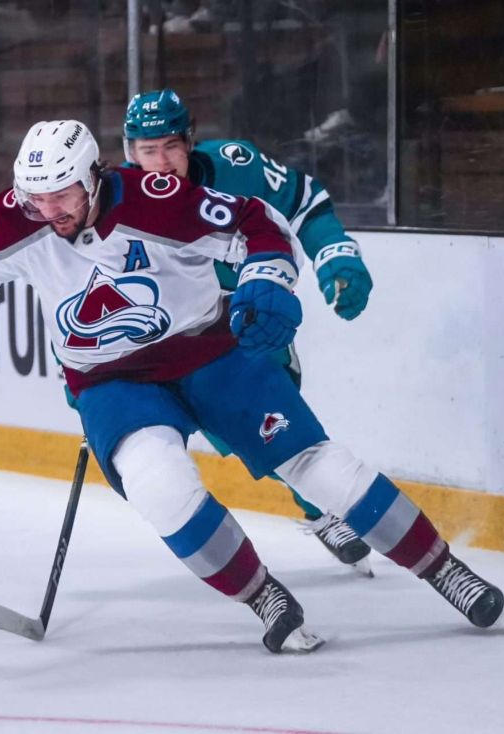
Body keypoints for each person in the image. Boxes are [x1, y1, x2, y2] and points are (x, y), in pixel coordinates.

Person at [0, 119, 504, 654]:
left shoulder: (157, 198)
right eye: (36, 197)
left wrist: (267, 280)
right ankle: (263, 597)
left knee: (319, 467)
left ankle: (444, 570)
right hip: (110, 380)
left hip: (209, 351)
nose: (48, 211)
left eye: (61, 196)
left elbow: (256, 226)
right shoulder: (17, 222)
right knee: (160, 483)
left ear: (93, 177)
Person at [122, 88, 374, 569]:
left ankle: (319, 506)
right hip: (179, 339)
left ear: (190, 141)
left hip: (250, 316)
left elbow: (305, 202)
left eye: (171, 146)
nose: (160, 162)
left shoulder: (235, 165)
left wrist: (335, 253)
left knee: (280, 424)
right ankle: (319, 509)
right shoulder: (117, 202)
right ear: (130, 152)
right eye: (147, 150)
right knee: (246, 433)